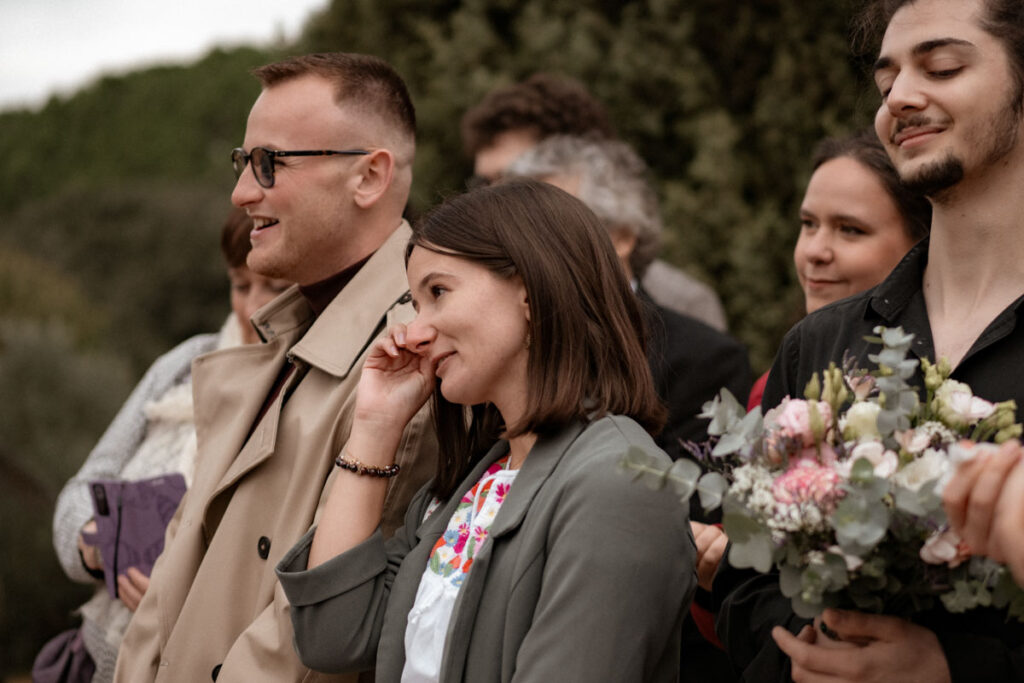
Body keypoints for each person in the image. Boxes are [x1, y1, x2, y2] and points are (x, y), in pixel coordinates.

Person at [275, 179, 697, 682]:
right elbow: (332, 637)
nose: (416, 332)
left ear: (529, 292)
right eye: (415, 304)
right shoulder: (472, 486)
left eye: (438, 292)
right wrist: (375, 426)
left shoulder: (624, 479)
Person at [717, 0, 1024, 680]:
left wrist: (960, 672)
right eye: (887, 83)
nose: (900, 99)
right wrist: (817, 651)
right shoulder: (819, 342)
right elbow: (746, 582)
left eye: (941, 67)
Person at [114, 53, 438, 683]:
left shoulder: (408, 360)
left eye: (270, 162)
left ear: (370, 176)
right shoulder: (287, 335)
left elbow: (314, 642)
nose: (241, 194)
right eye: (243, 162)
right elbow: (171, 593)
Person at [50, 208, 290, 683]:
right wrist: (104, 549)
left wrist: (181, 585)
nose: (252, 308)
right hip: (102, 654)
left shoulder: (304, 391)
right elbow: (83, 487)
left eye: (275, 290)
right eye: (240, 286)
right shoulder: (183, 364)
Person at [505, 135, 752, 452]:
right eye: (520, 231)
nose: (527, 249)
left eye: (551, 226)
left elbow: (683, 495)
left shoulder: (704, 360)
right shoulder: (507, 343)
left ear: (621, 236)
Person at [461, 73, 729, 330]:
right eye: (484, 184)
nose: (496, 200)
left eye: (517, 180)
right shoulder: (475, 294)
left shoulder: (684, 305)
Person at [746, 128, 931, 407]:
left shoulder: (953, 383)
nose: (814, 251)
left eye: (850, 230)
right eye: (809, 224)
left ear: (922, 242)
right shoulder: (781, 389)